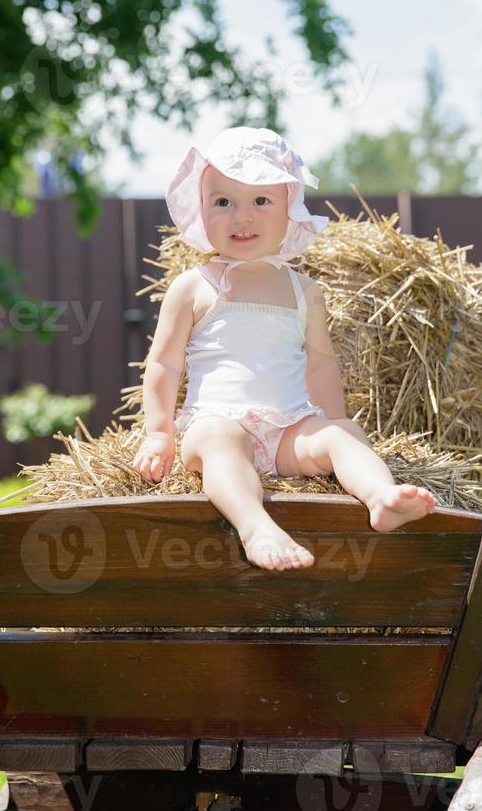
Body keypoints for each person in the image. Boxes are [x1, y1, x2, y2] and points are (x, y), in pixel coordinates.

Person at [132, 126, 435, 571]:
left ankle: (381, 497)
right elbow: (163, 362)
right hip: (215, 423)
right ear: (201, 212)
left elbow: (320, 365)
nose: (242, 217)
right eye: (223, 202)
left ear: (289, 211)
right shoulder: (194, 287)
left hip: (288, 430)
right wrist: (159, 431)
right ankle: (255, 525)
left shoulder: (304, 290)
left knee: (340, 437)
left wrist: (332, 420)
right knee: (221, 441)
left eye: (260, 201)